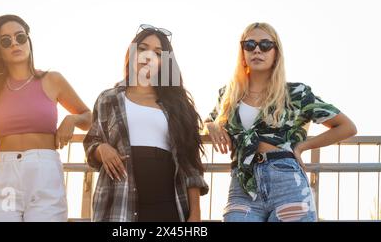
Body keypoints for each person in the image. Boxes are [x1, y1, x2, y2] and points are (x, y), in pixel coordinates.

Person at [204, 22, 357, 222]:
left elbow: (347, 127)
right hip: (243, 183)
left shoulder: (295, 93)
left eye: (265, 45)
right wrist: (211, 125)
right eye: (249, 45)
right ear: (242, 52)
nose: (257, 50)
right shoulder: (229, 94)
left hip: (287, 180)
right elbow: (208, 119)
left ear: (276, 52)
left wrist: (303, 146)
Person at [0, 14, 92, 221]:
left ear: (28, 40)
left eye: (20, 37)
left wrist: (71, 120)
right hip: (5, 176)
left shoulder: (52, 79)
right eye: (6, 41)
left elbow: (89, 117)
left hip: (43, 172)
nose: (15, 43)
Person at [84, 24, 209, 222]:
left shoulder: (178, 105)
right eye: (142, 49)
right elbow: (91, 142)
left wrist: (195, 213)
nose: (148, 56)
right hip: (119, 200)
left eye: (157, 53)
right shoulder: (108, 99)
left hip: (168, 204)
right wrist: (102, 148)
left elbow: (190, 163)